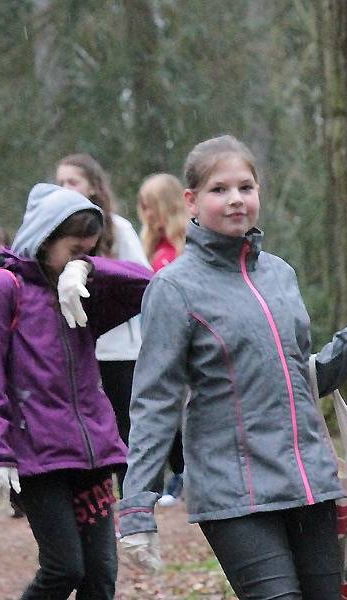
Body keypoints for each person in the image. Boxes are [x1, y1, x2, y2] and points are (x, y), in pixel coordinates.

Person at [118, 135, 347, 599]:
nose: (235, 199)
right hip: (234, 495)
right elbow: (154, 402)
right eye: (219, 189)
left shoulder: (280, 274)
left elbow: (302, 377)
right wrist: (137, 507)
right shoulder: (172, 288)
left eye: (245, 186)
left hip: (308, 483)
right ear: (191, 201)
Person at [0, 183, 152, 599]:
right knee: (64, 568)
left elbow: (149, 285)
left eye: (89, 249)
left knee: (101, 578)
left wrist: (89, 269)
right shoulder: (1, 290)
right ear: (43, 240)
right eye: (73, 250)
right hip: (37, 457)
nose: (80, 257)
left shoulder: (80, 290)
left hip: (93, 453)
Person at [56, 154, 151, 495]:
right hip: (76, 350)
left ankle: (134, 500)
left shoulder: (119, 229)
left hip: (122, 350)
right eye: (61, 182)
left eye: (73, 181)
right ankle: (93, 500)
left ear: (93, 186)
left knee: (125, 426)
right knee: (87, 428)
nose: (65, 188)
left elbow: (144, 280)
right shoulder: (52, 235)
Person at [136, 173, 188, 506]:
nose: (146, 213)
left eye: (150, 205)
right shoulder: (150, 250)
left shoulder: (185, 248)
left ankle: (186, 474)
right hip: (154, 340)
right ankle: (175, 473)